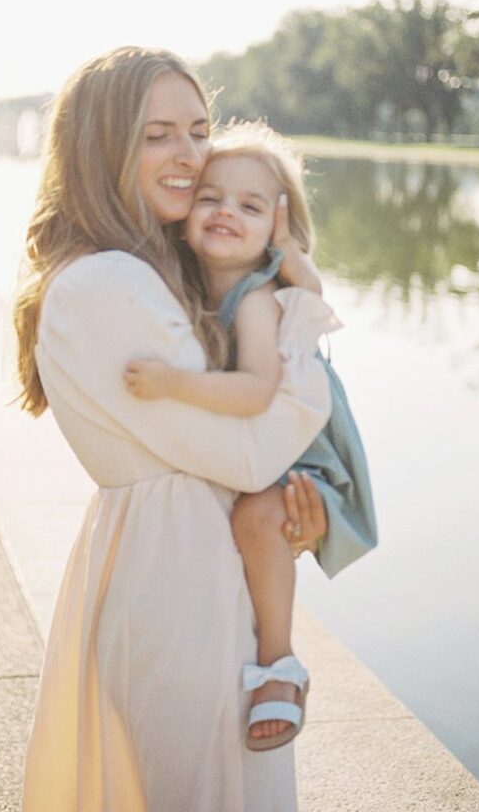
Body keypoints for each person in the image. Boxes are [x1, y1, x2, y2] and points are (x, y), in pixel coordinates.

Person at [15, 46, 338, 812]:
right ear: (102, 145)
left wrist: (292, 502)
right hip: (175, 580)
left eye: (197, 129)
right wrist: (303, 314)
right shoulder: (108, 283)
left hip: (180, 557)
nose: (190, 155)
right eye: (157, 133)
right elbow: (252, 447)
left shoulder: (145, 267)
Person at [123, 121, 361, 751]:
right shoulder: (182, 284)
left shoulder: (254, 299)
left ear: (275, 232)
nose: (226, 211)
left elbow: (257, 389)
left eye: (250, 206)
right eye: (211, 198)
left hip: (301, 457)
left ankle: (279, 664)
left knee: (259, 518)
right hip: (254, 442)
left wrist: (172, 383)